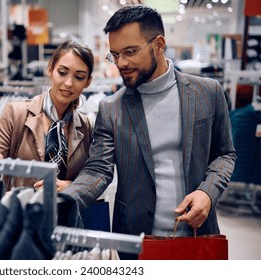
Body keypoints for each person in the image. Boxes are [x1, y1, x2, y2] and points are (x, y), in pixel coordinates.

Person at [63, 4, 237, 257]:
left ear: (158, 44)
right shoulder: (111, 108)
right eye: (115, 55)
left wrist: (206, 193)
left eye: (130, 52)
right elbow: (99, 169)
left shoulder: (207, 92)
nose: (121, 63)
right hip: (135, 240)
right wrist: (66, 198)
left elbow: (224, 154)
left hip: (198, 234)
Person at [0, 40, 94, 192]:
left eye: (79, 77)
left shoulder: (86, 126)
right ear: (50, 69)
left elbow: (90, 176)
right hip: (21, 211)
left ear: (88, 82)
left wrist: (70, 186)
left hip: (65, 213)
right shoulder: (16, 113)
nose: (69, 83)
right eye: (62, 73)